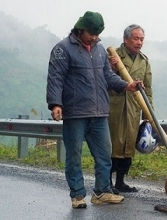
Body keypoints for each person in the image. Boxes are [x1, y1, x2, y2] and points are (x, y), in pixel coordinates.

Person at [46, 11, 143, 209]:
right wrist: (56, 104)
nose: (95, 37)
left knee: (104, 155)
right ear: (81, 30)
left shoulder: (99, 50)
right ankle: (77, 195)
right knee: (74, 155)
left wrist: (127, 85)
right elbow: (55, 78)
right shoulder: (63, 49)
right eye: (92, 33)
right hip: (76, 112)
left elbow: (107, 76)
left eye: (98, 33)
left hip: (99, 112)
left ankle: (102, 192)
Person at [108, 24, 153, 193]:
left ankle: (121, 181)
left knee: (128, 147)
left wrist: (149, 113)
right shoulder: (112, 56)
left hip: (133, 109)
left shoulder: (144, 61)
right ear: (125, 39)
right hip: (114, 108)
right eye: (136, 38)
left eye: (141, 39)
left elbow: (148, 89)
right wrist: (112, 69)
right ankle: (107, 182)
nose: (139, 42)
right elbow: (102, 81)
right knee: (113, 145)